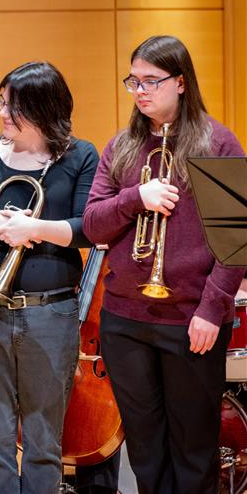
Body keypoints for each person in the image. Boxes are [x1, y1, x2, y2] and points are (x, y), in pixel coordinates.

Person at [82, 35, 246, 493]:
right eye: (133, 81)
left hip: (192, 320)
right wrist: (136, 197)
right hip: (125, 319)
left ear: (181, 82)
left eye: (151, 81)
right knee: (146, 450)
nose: (140, 91)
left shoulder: (218, 143)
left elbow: (237, 237)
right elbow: (94, 225)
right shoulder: (122, 146)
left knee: (194, 451)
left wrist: (213, 309)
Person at [0, 61, 100, 493]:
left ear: (45, 108)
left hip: (52, 311)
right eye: (2, 102)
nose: (3, 114)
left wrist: (35, 229)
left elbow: (88, 227)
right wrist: (0, 224)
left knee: (44, 443)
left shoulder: (80, 156)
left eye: (14, 107)